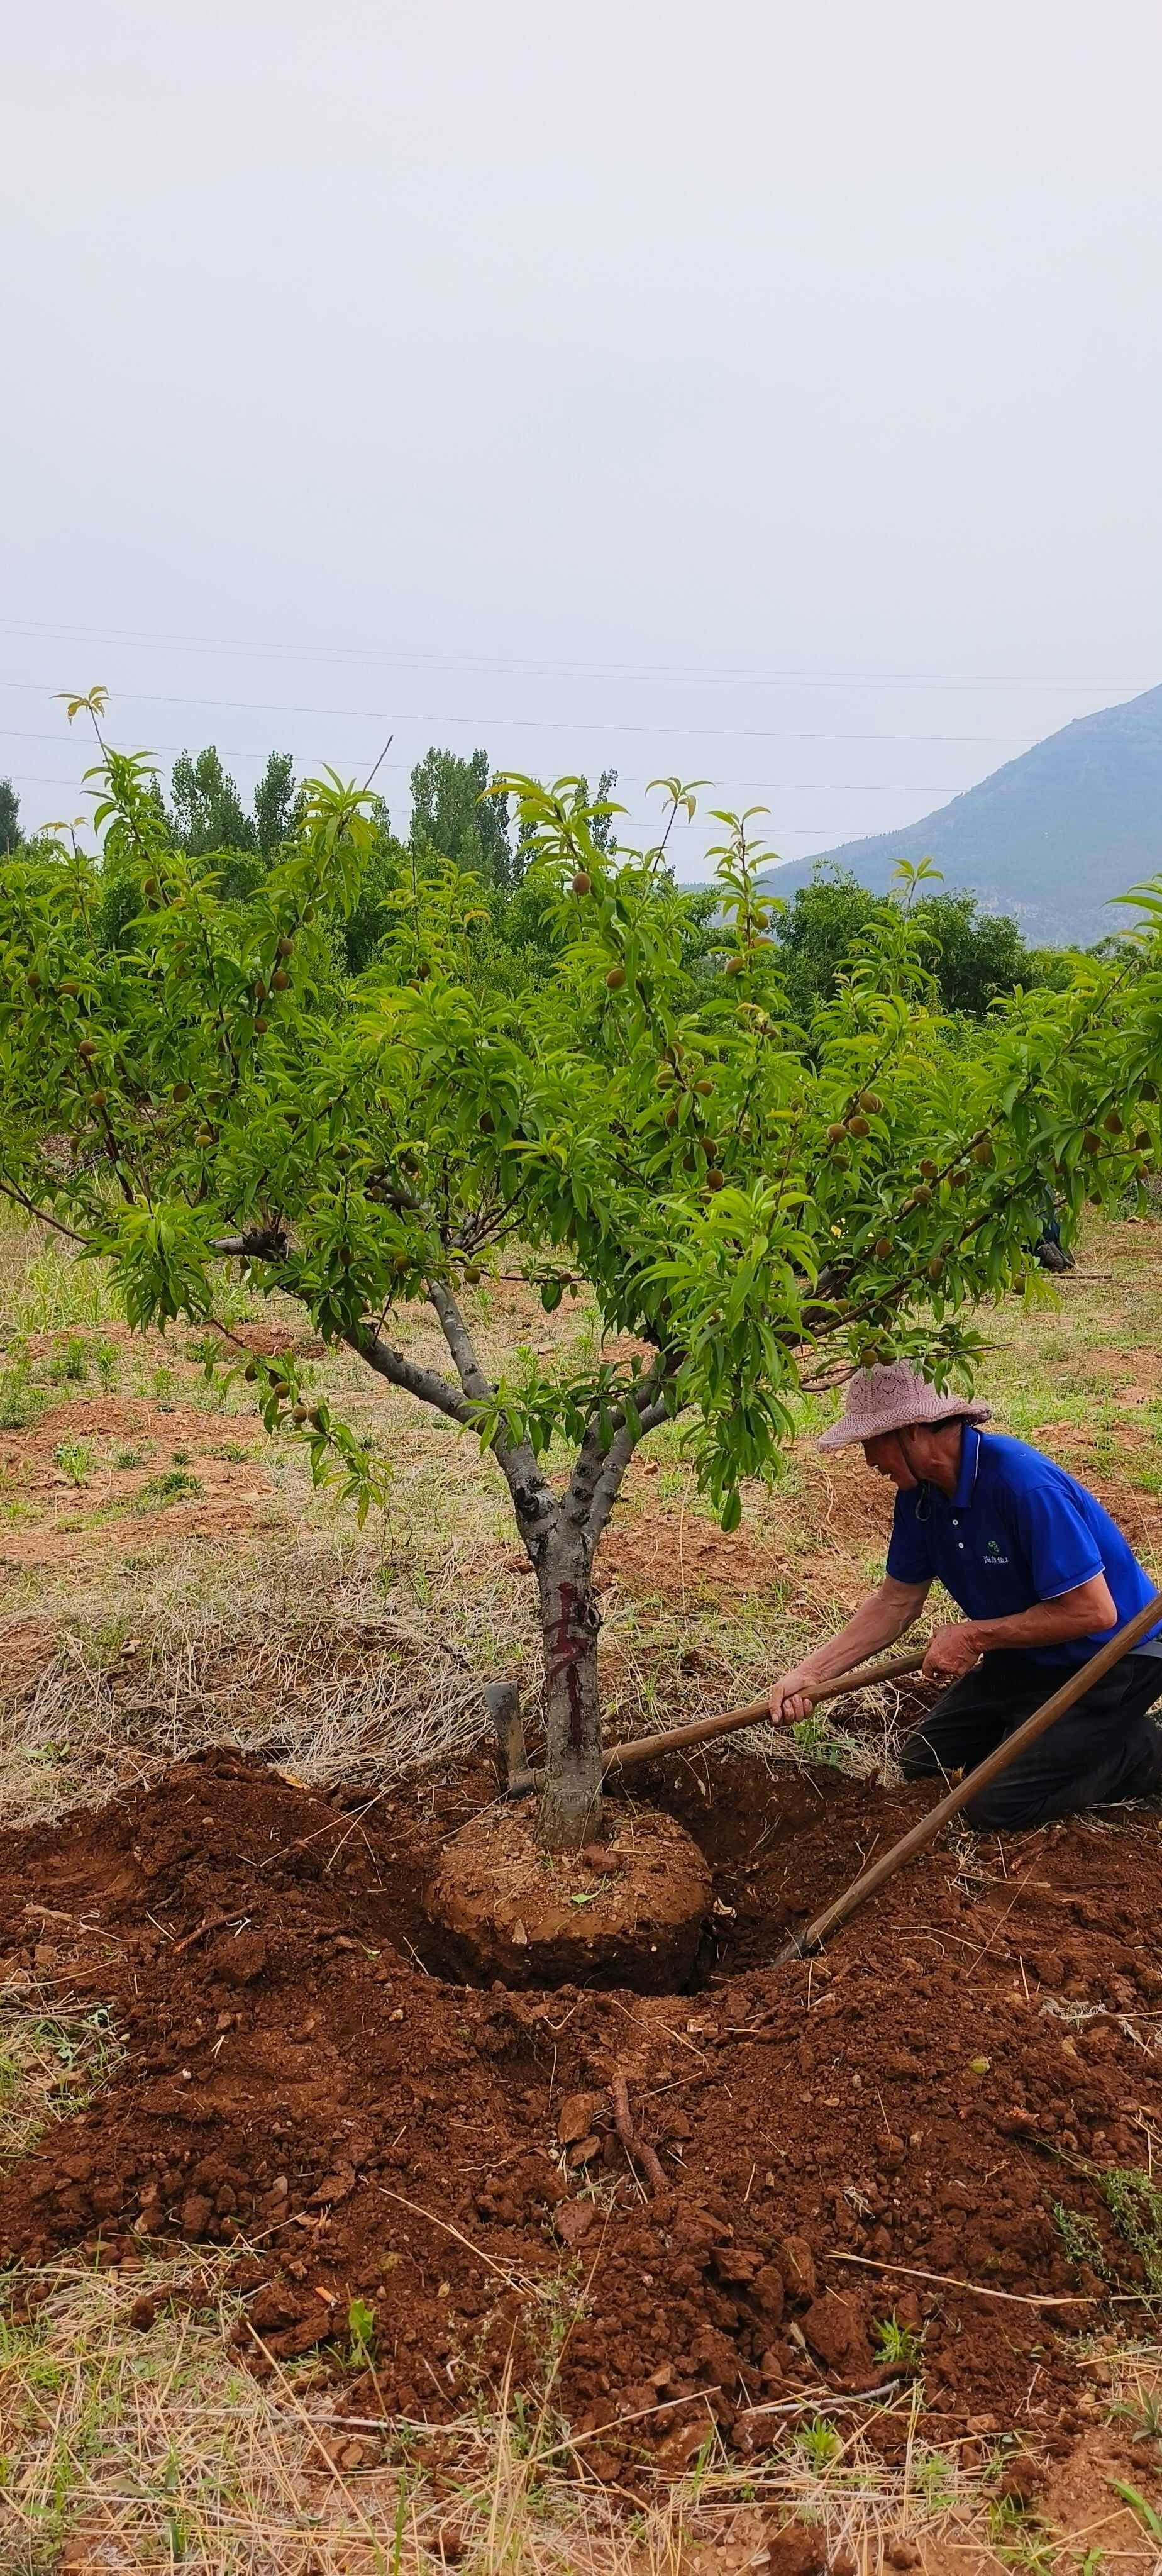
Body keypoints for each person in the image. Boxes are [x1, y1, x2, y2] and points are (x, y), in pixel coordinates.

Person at [768, 1360, 1162, 1829]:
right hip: (1028, 1656)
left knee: (993, 1804)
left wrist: (974, 1637)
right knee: (923, 1767)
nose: (869, 1460)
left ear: (911, 1432)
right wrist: (811, 1674)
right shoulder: (919, 1496)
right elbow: (897, 1602)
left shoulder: (1023, 1484)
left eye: (871, 1442)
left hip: (1113, 1659)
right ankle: (1052, 1734)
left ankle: (1143, 1752)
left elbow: (1093, 1613)